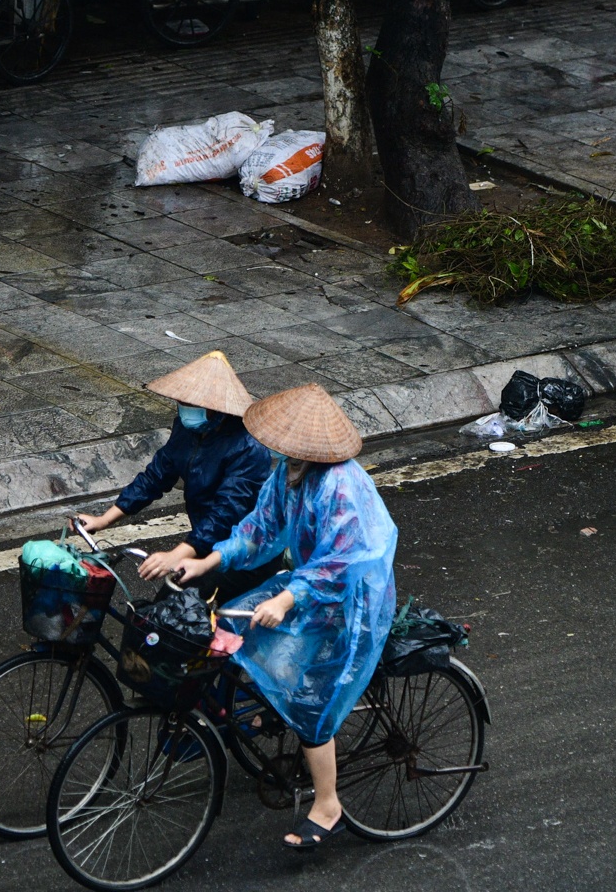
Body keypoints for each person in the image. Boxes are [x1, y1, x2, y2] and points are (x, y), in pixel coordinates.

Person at [172, 383, 396, 853]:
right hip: (307, 586)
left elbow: (340, 565)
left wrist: (286, 600)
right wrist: (206, 562)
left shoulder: (339, 486)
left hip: (350, 601)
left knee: (314, 697)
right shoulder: (287, 474)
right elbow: (257, 530)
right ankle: (274, 709)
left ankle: (328, 805)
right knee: (230, 626)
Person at [74, 351, 276, 592]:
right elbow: (158, 474)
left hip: (244, 552)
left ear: (217, 407)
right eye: (183, 402)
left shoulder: (248, 447)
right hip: (203, 541)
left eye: (193, 404)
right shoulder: (187, 428)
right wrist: (104, 519)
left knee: (174, 613)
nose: (185, 409)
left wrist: (179, 553)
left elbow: (227, 511)